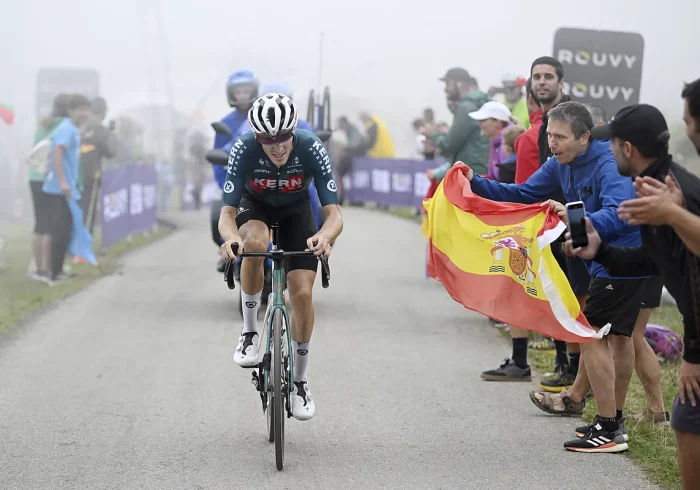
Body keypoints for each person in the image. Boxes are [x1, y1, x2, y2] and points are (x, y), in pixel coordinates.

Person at [465, 101, 647, 452]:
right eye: (550, 135)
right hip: (606, 261)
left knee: (589, 337)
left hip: (624, 259)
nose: (552, 143)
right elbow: (522, 193)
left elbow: (619, 214)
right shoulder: (559, 163)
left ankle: (608, 430)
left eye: (560, 137)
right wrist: (475, 182)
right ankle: (615, 421)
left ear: (584, 137)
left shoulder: (608, 162)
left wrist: (576, 215)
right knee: (620, 339)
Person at [568, 100, 700, 485]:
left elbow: (695, 279)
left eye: (612, 145)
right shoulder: (654, 186)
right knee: (686, 423)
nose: (608, 152)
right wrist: (601, 251)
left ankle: (610, 426)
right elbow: (653, 259)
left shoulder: (673, 193)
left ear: (627, 149)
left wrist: (693, 352)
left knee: (687, 420)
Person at [218, 93, 344, 420]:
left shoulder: (311, 146)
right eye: (267, 140)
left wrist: (324, 236)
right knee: (256, 242)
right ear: (256, 137)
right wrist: (231, 238)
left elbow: (334, 215)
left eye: (284, 138)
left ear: (293, 131)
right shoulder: (243, 147)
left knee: (301, 293)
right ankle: (249, 333)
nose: (277, 147)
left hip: (295, 212)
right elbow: (227, 213)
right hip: (255, 207)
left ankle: (300, 382)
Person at [210, 70, 260, 272]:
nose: (242, 96)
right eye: (238, 91)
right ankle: (230, 251)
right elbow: (218, 159)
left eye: (247, 91)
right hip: (238, 182)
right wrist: (228, 185)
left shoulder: (264, 115)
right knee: (226, 208)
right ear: (231, 93)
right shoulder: (225, 123)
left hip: (266, 181)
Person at [41, 94, 92, 284]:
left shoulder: (73, 130)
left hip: (66, 187)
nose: (84, 113)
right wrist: (63, 181)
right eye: (80, 110)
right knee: (60, 230)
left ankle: (58, 270)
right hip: (59, 189)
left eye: (86, 109)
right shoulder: (67, 129)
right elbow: (57, 152)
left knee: (65, 229)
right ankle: (54, 273)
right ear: (71, 111)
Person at [27, 93, 69, 283]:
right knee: (53, 226)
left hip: (34, 177)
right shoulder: (65, 126)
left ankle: (38, 268)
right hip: (50, 178)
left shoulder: (42, 125)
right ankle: (50, 268)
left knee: (40, 224)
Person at [427, 68, 490, 181]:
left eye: (448, 84)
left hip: (470, 175)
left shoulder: (465, 107)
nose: (445, 89)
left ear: (460, 83)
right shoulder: (485, 102)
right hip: (484, 174)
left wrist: (434, 135)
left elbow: (449, 144)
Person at [78, 96, 117, 234]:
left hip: (74, 174)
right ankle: (83, 246)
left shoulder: (80, 126)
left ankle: (72, 245)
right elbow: (110, 152)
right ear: (103, 111)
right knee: (88, 212)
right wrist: (112, 134)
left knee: (76, 210)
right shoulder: (101, 130)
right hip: (91, 176)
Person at [468, 101, 515, 181]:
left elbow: (507, 183)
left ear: (497, 122)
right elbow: (493, 178)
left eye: (483, 120)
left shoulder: (508, 143)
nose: (479, 124)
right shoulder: (495, 142)